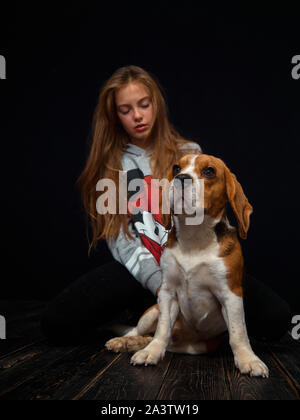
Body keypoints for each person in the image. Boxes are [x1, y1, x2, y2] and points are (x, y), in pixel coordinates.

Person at [40, 65, 291, 345]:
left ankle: (198, 326)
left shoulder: (189, 154)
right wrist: (158, 281)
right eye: (125, 110)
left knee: (277, 317)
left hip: (193, 258)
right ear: (114, 116)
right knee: (56, 322)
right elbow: (122, 240)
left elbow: (208, 218)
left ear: (156, 105)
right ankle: (140, 318)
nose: (137, 115)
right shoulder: (109, 168)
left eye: (144, 105)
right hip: (141, 268)